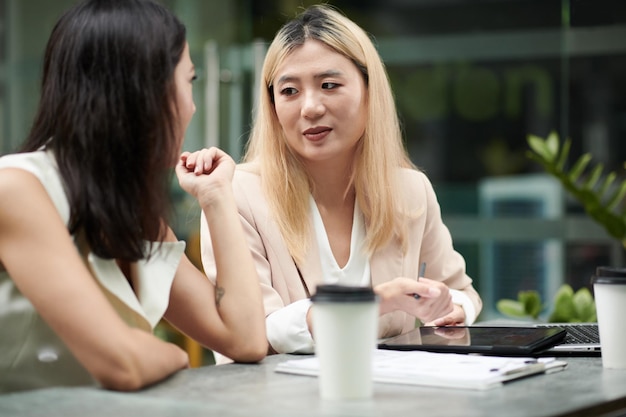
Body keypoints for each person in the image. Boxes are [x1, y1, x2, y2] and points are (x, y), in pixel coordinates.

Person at [0, 0, 266, 392]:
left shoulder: (130, 211)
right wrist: (170, 357)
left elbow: (244, 339)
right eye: (188, 81)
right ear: (144, 93)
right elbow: (123, 363)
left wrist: (217, 196)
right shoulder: (18, 189)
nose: (192, 106)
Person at [199, 4, 482, 360]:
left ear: (369, 90)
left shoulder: (411, 190)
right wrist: (377, 301)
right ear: (271, 105)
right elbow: (252, 331)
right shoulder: (236, 193)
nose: (310, 108)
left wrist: (451, 309)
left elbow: (461, 293)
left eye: (329, 85)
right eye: (289, 91)